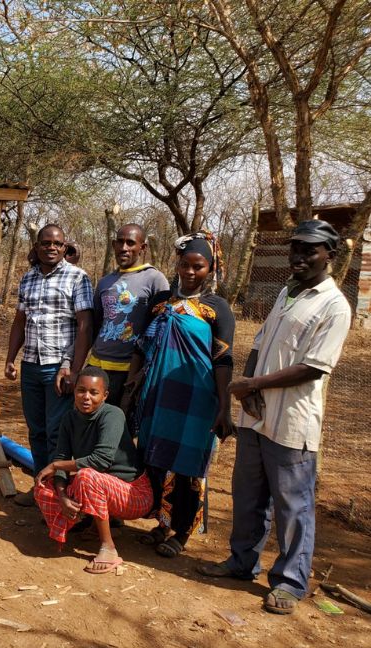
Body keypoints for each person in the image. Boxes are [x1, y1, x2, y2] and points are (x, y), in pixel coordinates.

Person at [198, 220, 351, 615]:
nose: (299, 256)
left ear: (329, 256)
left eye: (310, 250)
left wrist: (254, 384)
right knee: (248, 496)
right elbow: (261, 343)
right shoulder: (287, 292)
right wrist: (248, 389)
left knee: (292, 505)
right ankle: (241, 562)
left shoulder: (334, 305)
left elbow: (313, 368)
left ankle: (289, 581)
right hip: (256, 416)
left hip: (293, 421)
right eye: (295, 248)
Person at [124, 231, 235, 558]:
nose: (189, 272)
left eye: (198, 267)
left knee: (187, 464)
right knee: (155, 457)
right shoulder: (161, 303)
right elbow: (140, 349)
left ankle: (182, 531)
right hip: (157, 396)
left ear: (210, 269)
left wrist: (224, 407)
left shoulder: (217, 309)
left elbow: (224, 360)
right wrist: (130, 391)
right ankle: (161, 521)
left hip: (196, 401)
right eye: (185, 265)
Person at [5, 224, 94, 506]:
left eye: (57, 243)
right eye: (45, 243)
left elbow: (85, 325)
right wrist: (10, 358)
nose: (51, 247)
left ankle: (59, 493)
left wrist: (74, 368)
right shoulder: (28, 278)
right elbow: (20, 322)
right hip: (31, 364)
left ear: (65, 246)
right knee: (37, 430)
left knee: (57, 432)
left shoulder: (77, 278)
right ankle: (39, 487)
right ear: (37, 246)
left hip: (60, 368)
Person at [34, 367, 151, 573]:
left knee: (86, 476)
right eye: (81, 391)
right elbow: (61, 457)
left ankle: (109, 548)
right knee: (42, 485)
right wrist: (61, 495)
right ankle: (88, 520)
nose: (86, 397)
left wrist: (55, 466)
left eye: (93, 392)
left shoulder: (113, 415)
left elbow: (100, 461)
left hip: (133, 494)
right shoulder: (69, 419)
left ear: (104, 395)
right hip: (101, 486)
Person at [89, 224, 169, 405]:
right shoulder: (104, 282)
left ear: (143, 247)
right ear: (113, 245)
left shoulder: (155, 279)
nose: (124, 248)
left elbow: (161, 329)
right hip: (97, 365)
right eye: (120, 242)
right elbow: (95, 324)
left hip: (129, 370)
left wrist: (143, 371)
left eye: (130, 243)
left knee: (120, 426)